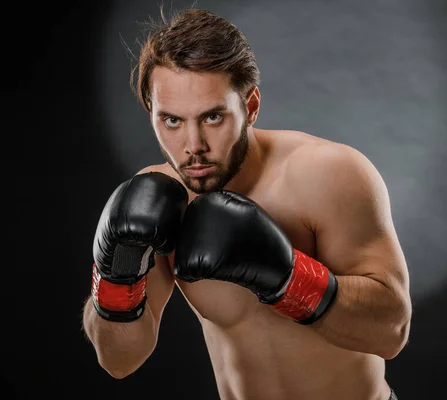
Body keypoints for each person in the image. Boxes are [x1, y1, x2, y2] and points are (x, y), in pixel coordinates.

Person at [82, 7, 411, 400]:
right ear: (152, 113)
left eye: (213, 117)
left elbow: (392, 332)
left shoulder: (329, 175)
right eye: (171, 121)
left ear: (250, 106)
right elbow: (119, 360)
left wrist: (288, 278)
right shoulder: (157, 199)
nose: (193, 146)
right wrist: (118, 272)